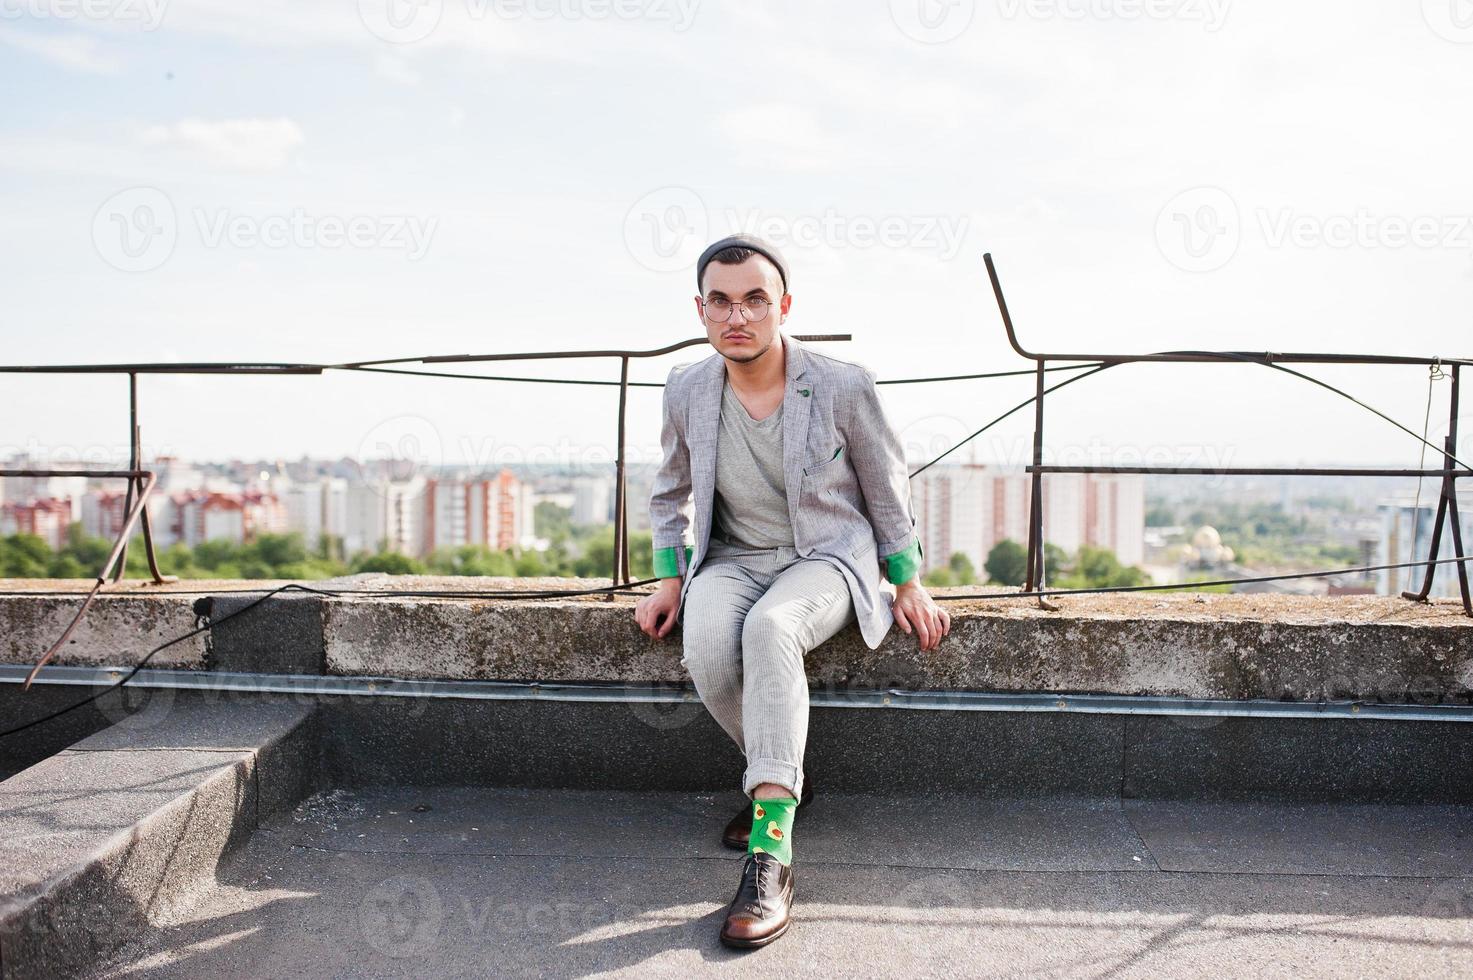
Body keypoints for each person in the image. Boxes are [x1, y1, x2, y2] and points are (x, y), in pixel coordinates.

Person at [633, 233, 950, 949]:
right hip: (732, 558)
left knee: (770, 630)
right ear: (700, 308)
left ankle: (770, 847)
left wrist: (907, 580)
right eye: (719, 300)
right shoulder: (686, 386)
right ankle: (780, 771)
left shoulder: (839, 382)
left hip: (825, 558)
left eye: (753, 299)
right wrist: (667, 577)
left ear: (782, 305)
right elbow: (670, 490)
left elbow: (884, 483)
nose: (735, 315)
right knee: (710, 650)